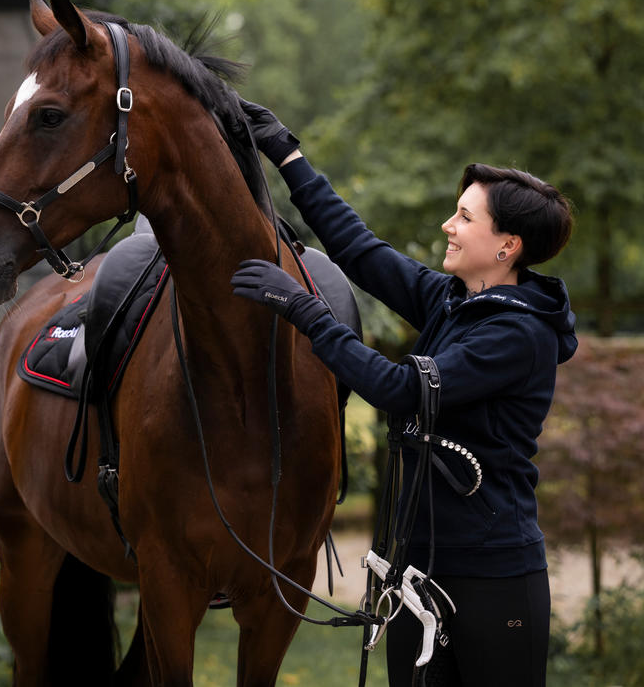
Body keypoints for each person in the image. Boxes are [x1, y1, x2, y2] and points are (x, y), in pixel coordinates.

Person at [229, 100, 577, 687]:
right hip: (416, 572)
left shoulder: (518, 334)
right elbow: (361, 251)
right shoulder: (453, 299)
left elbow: (400, 390)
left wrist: (302, 309)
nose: (450, 224)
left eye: (465, 217)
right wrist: (287, 154)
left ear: (506, 246)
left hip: (491, 580)